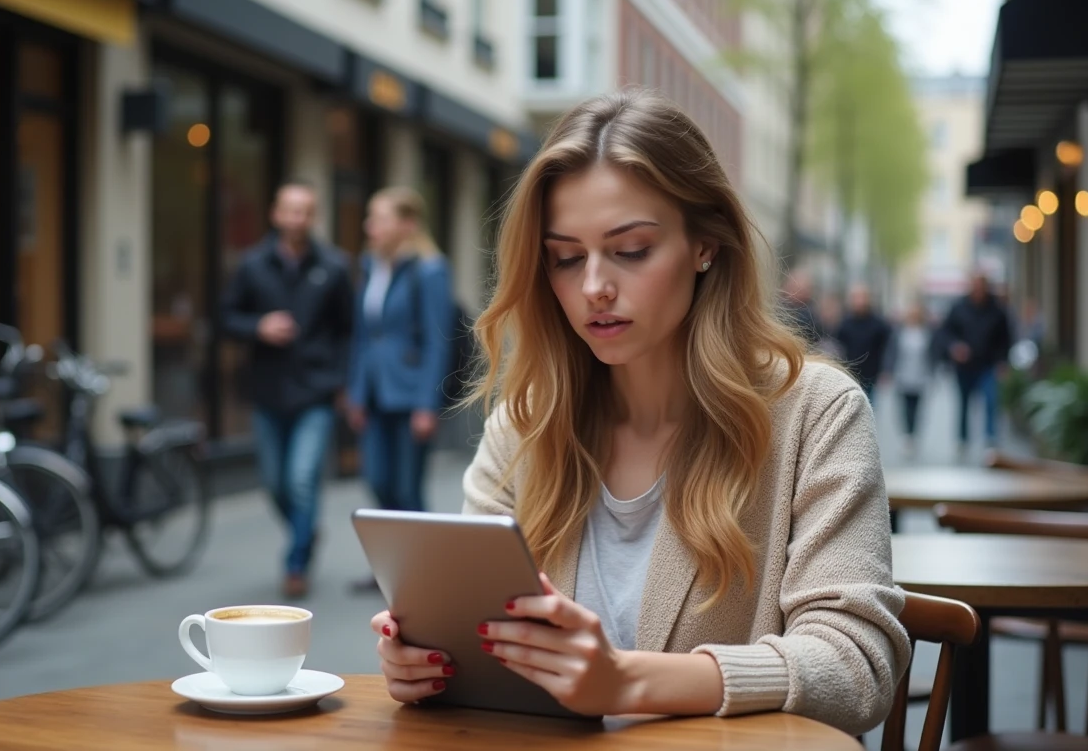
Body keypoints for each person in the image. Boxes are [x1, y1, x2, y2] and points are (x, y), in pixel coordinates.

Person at [368, 91, 908, 735]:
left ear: (705, 245)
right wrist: (430, 661)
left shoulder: (816, 413)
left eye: (630, 250)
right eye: (566, 258)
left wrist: (626, 680)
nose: (594, 284)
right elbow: (480, 642)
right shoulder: (527, 424)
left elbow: (855, 667)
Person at [221, 180, 354, 599]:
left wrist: (341, 381)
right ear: (276, 214)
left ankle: (296, 563)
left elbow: (348, 331)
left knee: (300, 480)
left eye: (305, 211)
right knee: (275, 484)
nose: (297, 219)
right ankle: (306, 530)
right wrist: (257, 326)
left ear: (312, 217)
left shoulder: (333, 266)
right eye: (290, 210)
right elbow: (225, 317)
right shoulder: (252, 264)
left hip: (315, 391)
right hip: (268, 391)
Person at [346, 187, 454, 516]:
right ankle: (395, 564)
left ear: (407, 225)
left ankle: (420, 567)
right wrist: (356, 393)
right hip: (376, 393)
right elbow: (362, 336)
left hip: (411, 396)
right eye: (370, 218)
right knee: (378, 481)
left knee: (408, 490)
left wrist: (427, 404)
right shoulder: (371, 267)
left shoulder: (429, 270)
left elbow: (438, 341)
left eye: (379, 218)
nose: (369, 226)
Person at [938, 272, 1013, 454]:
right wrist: (954, 348)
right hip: (964, 366)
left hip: (988, 364)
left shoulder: (997, 310)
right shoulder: (958, 308)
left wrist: (1003, 361)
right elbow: (945, 333)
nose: (978, 291)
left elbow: (1006, 338)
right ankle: (963, 439)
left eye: (981, 287)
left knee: (990, 400)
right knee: (963, 403)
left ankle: (990, 438)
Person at [834, 283, 893, 404]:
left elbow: (886, 348)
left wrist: (886, 370)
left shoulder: (879, 324)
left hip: (871, 374)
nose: (859, 301)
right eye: (856, 297)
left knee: (868, 406)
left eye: (862, 297)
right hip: (850, 373)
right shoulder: (845, 323)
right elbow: (838, 347)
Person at [888, 304, 932, 460]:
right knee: (905, 407)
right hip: (903, 375)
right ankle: (907, 435)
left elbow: (932, 353)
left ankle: (914, 434)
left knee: (917, 407)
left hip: (921, 376)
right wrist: (889, 370)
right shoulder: (900, 332)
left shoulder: (926, 333)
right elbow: (892, 352)